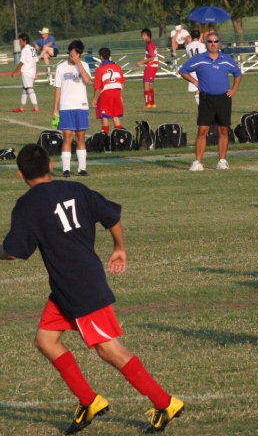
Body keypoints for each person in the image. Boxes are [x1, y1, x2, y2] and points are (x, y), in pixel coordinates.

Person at [1, 144, 184, 434]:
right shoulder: (77, 190)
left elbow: (14, 252)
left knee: (110, 350)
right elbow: (111, 215)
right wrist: (120, 249)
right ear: (50, 166)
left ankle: (165, 403)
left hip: (79, 289)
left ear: (20, 173)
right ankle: (90, 401)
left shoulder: (27, 204)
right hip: (66, 288)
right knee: (45, 341)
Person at [178, 32, 242, 171]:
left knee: (223, 130)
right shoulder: (199, 59)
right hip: (206, 99)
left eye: (215, 41)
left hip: (223, 99)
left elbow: (237, 73)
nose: (213, 44)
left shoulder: (226, 59)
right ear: (206, 43)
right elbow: (183, 70)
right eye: (210, 41)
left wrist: (233, 89)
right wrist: (195, 81)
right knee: (203, 130)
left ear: (220, 43)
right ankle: (198, 162)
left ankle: (222, 161)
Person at [53, 40, 92, 177]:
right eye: (71, 51)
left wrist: (79, 64)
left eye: (75, 53)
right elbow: (57, 88)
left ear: (79, 54)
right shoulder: (61, 67)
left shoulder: (84, 65)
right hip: (66, 107)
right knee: (67, 137)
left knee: (81, 137)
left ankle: (82, 168)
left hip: (81, 106)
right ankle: (66, 169)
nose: (72, 54)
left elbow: (87, 81)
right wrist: (55, 108)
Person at [91, 48, 125, 134]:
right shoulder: (117, 67)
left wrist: (95, 99)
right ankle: (120, 136)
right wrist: (121, 95)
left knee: (104, 116)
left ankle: (104, 136)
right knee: (115, 115)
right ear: (109, 56)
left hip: (106, 93)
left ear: (101, 57)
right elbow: (122, 83)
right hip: (117, 92)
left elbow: (98, 87)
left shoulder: (100, 69)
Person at [11, 33, 40, 113]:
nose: (19, 42)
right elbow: (36, 61)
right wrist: (35, 73)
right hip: (32, 71)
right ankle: (21, 108)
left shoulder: (24, 50)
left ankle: (36, 108)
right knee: (25, 90)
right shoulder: (32, 49)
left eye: (20, 40)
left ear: (24, 41)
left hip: (26, 72)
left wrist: (14, 72)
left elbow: (21, 62)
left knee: (29, 89)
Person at [134, 28, 158, 108]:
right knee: (149, 85)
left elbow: (152, 57)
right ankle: (152, 103)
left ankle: (147, 103)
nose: (142, 37)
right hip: (153, 66)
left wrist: (140, 62)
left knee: (146, 85)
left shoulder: (149, 45)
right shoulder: (151, 44)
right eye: (142, 35)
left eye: (144, 35)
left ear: (148, 35)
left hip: (150, 66)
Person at [184, 28, 207, 105]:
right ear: (200, 36)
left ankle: (200, 106)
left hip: (193, 69)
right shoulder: (203, 46)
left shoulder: (188, 47)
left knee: (196, 89)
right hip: (202, 68)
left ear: (191, 36)